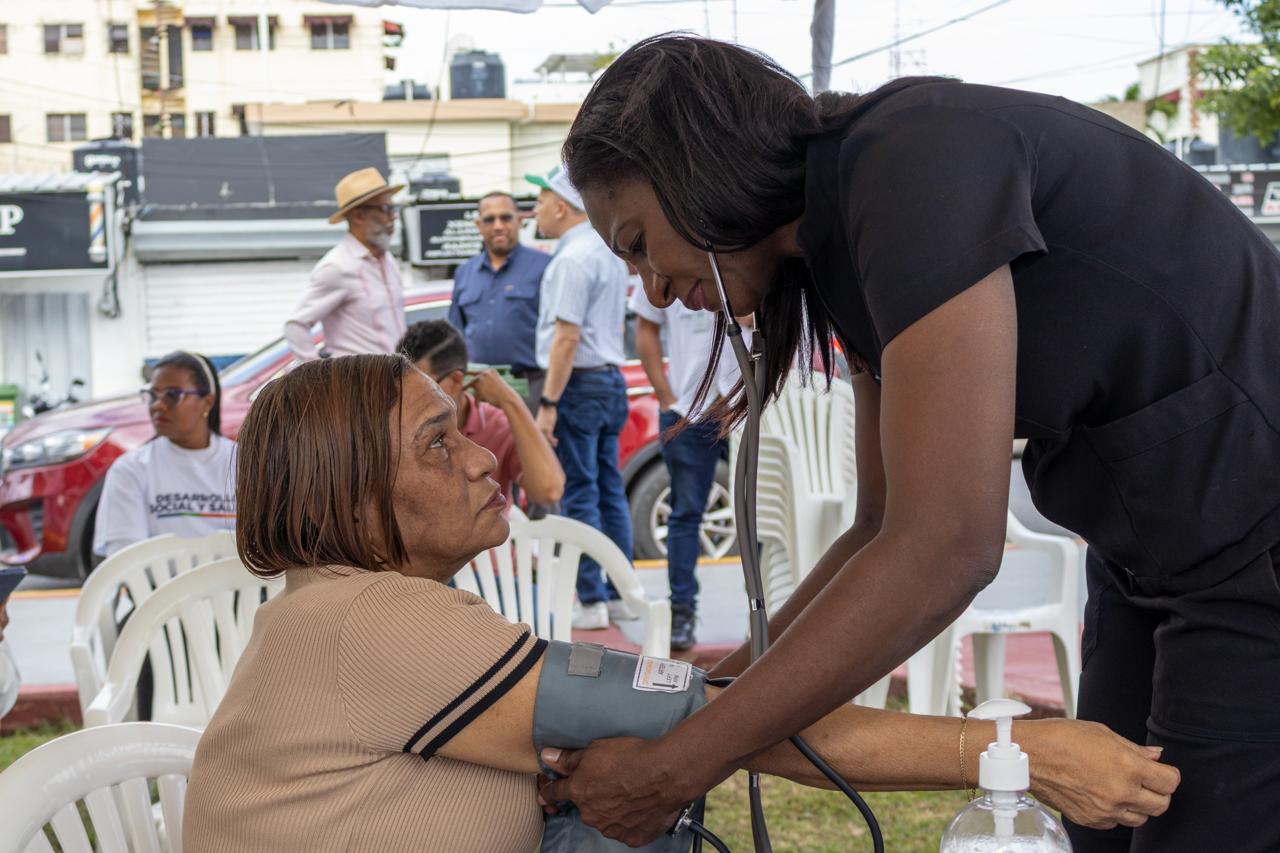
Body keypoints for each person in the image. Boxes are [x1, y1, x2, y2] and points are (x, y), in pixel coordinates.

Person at [546, 34, 1274, 851]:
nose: (654, 290)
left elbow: (946, 546)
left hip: (1255, 540)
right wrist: (700, 697)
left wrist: (678, 765)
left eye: (641, 243)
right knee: (1106, 831)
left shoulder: (911, 166)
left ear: (693, 166)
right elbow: (880, 526)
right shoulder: (835, 249)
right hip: (1151, 552)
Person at [182, 354, 1176, 852]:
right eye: (437, 444)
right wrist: (1011, 755)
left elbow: (678, 728)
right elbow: (727, 721)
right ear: (349, 496)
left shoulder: (340, 610)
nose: (483, 454)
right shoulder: (367, 620)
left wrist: (617, 762)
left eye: (463, 428)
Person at [527, 165, 633, 630]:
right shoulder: (604, 252)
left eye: (540, 199)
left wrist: (548, 403)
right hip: (609, 380)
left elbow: (565, 338)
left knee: (581, 493)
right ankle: (618, 593)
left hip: (580, 384)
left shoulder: (571, 259)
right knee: (610, 491)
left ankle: (590, 599)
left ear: (561, 206)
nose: (536, 209)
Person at [631, 283, 741, 650]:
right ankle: (682, 613)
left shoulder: (740, 252)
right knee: (685, 513)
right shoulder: (667, 256)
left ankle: (767, 612)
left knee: (760, 511)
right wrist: (665, 396)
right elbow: (645, 324)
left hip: (745, 403)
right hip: (689, 411)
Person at [398, 319, 564, 507]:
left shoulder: (496, 424)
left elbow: (549, 491)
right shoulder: (404, 429)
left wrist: (510, 401)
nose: (411, 399)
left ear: (456, 380)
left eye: (424, 387)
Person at [93, 351, 235, 558]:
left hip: (240, 588)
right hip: (158, 590)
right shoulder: (131, 469)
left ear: (207, 402)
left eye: (172, 395)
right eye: (152, 395)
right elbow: (125, 560)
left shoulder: (245, 465)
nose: (157, 405)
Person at [284, 168, 406, 362]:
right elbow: (295, 326)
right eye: (385, 209)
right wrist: (319, 378)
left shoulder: (388, 260)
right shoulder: (337, 267)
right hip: (358, 386)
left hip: (394, 380)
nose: (393, 217)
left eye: (394, 208)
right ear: (358, 216)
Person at [448, 191, 553, 409]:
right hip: (476, 389)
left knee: (529, 445)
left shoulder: (546, 266)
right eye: (489, 219)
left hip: (529, 388)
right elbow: (454, 335)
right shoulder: (464, 273)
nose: (498, 226)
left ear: (519, 221)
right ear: (478, 225)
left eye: (505, 218)